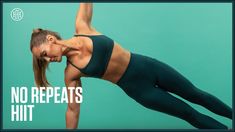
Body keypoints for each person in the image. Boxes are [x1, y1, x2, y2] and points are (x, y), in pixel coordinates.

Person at [30, 3, 232, 129]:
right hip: (139, 90)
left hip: (148, 66)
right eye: (43, 60)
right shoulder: (71, 73)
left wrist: (65, 44)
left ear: (50, 39)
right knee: (190, 114)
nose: (48, 61)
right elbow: (72, 110)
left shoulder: (82, 27)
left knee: (198, 95)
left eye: (45, 55)